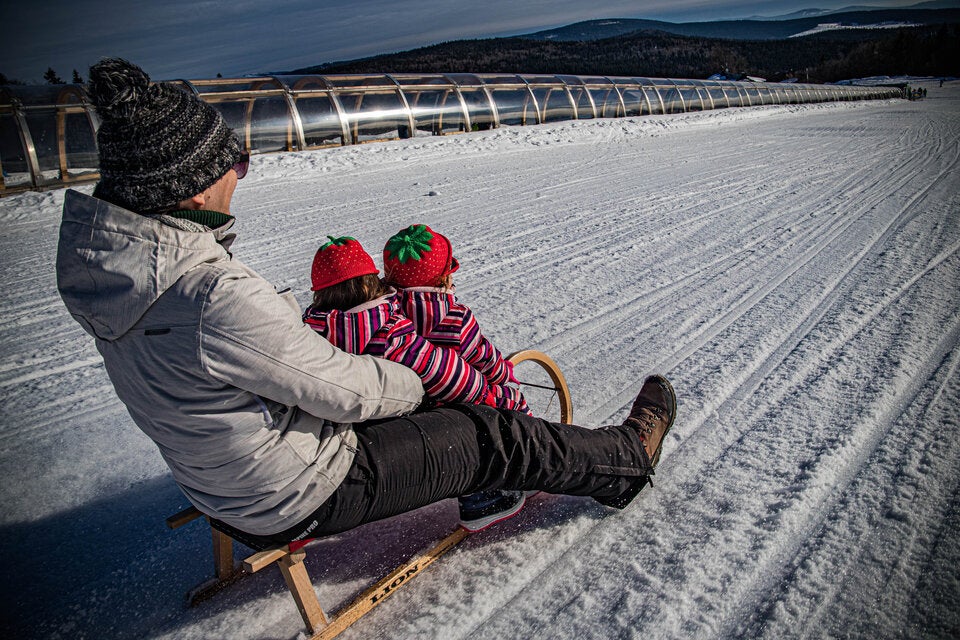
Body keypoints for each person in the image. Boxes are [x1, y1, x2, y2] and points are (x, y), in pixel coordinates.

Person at [56, 58, 677, 550]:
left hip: (219, 489)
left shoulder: (120, 277)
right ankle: (624, 460)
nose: (239, 177)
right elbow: (344, 390)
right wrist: (422, 384)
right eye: (234, 165)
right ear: (192, 189)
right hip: (299, 488)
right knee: (491, 435)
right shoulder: (207, 293)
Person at [303, 235, 529, 529]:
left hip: (354, 441)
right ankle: (483, 496)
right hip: (421, 433)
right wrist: (505, 396)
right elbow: (457, 379)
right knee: (470, 422)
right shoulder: (392, 332)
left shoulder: (310, 337)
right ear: (372, 283)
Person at [384, 223, 530, 416]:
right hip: (458, 397)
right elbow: (482, 355)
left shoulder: (386, 312)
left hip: (406, 403)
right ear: (442, 279)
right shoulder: (456, 317)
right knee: (514, 400)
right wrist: (503, 372)